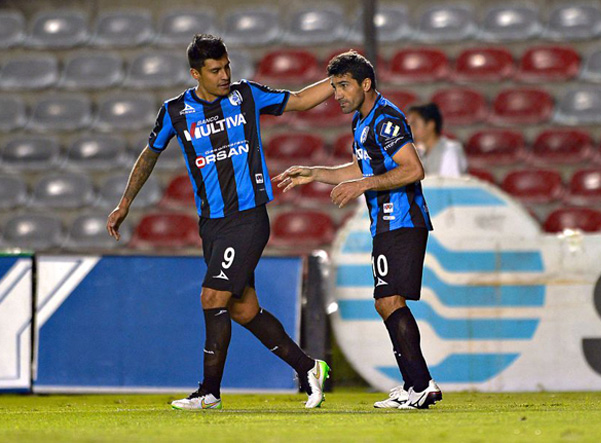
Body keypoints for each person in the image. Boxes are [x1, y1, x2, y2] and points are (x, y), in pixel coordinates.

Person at [106, 34, 332, 410]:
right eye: (215, 70)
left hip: (247, 218)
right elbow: (150, 154)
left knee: (212, 297)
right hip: (211, 224)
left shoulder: (246, 96)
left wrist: (341, 75)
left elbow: (301, 100)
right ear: (196, 73)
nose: (225, 75)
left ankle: (209, 392)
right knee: (243, 309)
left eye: (227, 66)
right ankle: (309, 367)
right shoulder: (176, 111)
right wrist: (125, 202)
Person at [273, 51, 442, 410]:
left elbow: (413, 169)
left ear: (366, 84)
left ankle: (421, 384)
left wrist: (364, 185)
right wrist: (315, 172)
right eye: (334, 87)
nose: (337, 94)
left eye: (344, 86)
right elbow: (359, 167)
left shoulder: (386, 119)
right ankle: (415, 383)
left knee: (388, 300)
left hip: (403, 219)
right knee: (386, 301)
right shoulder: (362, 121)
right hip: (385, 222)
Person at [407, 103, 467, 177]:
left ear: (430, 125)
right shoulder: (419, 151)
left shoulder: (450, 150)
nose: (409, 130)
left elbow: (450, 184)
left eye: (414, 124)